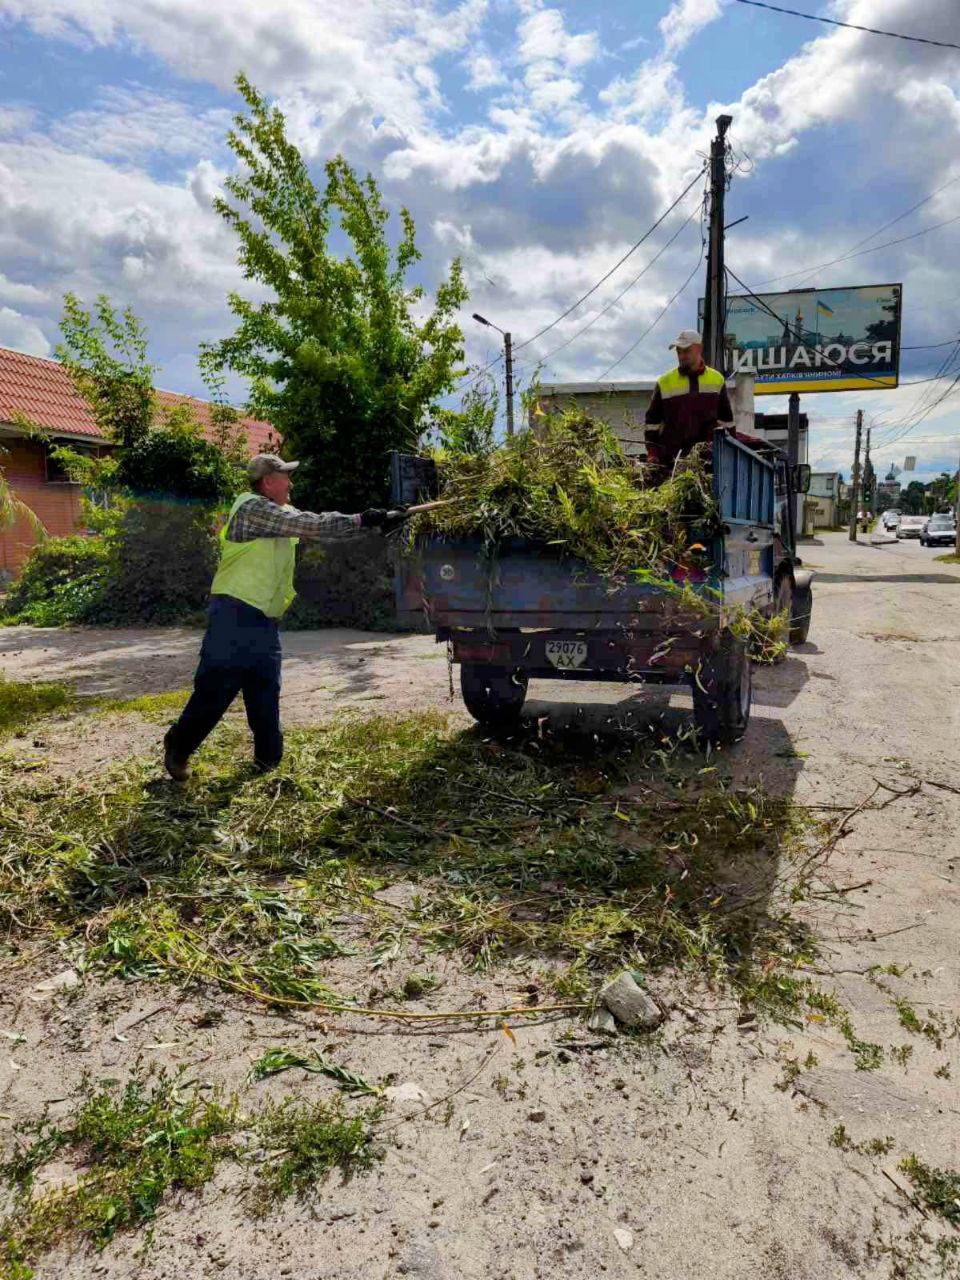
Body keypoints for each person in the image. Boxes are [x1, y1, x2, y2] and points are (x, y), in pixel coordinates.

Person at [163, 453, 404, 781]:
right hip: (233, 616)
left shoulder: (281, 513)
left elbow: (321, 528)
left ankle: (268, 764)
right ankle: (178, 745)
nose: (290, 483)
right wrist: (363, 518)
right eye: (285, 477)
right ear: (267, 482)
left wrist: (379, 523)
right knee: (215, 691)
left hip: (263, 619)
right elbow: (310, 523)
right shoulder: (252, 509)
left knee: (265, 691)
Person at [643, 329, 734, 478]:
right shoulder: (664, 382)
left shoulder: (716, 380)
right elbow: (651, 424)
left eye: (686, 351)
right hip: (671, 466)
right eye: (679, 352)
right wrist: (653, 454)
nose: (681, 356)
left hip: (708, 466)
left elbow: (727, 423)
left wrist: (729, 457)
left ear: (699, 349)